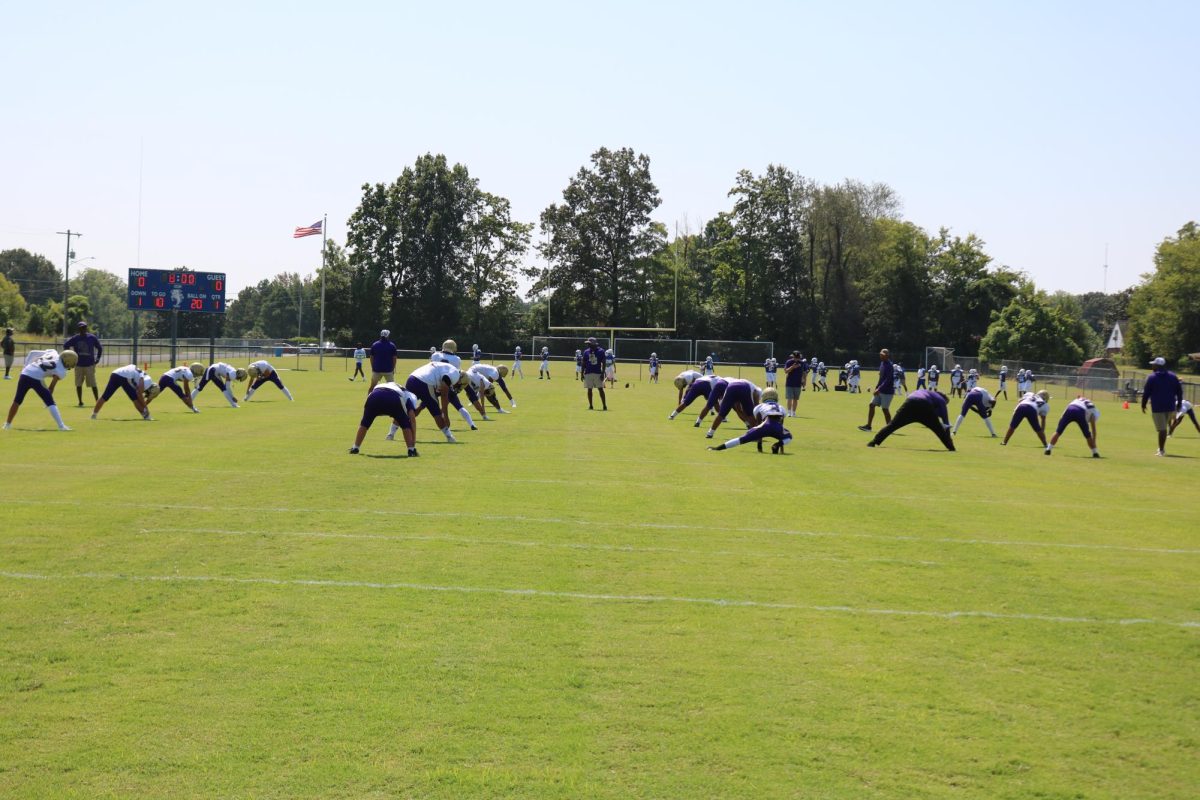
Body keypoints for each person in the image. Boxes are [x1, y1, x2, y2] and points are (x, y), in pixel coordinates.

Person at [3, 348, 76, 431]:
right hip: (36, 378)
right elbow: (51, 387)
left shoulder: (53, 352)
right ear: (68, 361)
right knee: (51, 402)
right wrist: (48, 399)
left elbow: (32, 352)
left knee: (17, 400)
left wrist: (25, 366)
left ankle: (7, 425)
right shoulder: (61, 371)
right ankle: (61, 426)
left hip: (25, 373)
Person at [708, 387, 792, 454]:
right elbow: (781, 425)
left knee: (742, 439)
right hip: (777, 427)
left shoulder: (760, 406)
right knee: (789, 437)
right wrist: (781, 446)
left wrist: (759, 445)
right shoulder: (781, 407)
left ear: (764, 397)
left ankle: (718, 448)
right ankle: (777, 445)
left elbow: (758, 424)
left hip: (765, 425)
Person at [865, 389, 955, 451]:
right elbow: (946, 423)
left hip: (910, 403)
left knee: (893, 425)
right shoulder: (942, 401)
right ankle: (951, 448)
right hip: (924, 405)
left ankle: (873, 442)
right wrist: (949, 439)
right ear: (944, 399)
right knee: (938, 430)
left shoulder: (926, 392)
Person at [348, 381, 419, 457]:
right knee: (405, 425)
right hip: (393, 398)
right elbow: (412, 420)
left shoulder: (388, 385)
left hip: (374, 396)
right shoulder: (411, 396)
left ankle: (355, 448)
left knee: (364, 423)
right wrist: (413, 440)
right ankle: (411, 450)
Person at [405, 360, 466, 442]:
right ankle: (449, 437)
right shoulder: (455, 375)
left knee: (405, 408)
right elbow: (444, 393)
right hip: (424, 382)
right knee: (436, 411)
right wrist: (445, 414)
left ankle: (391, 433)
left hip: (411, 378)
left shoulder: (446, 367)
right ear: (460, 381)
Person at [1141, 356, 1184, 456]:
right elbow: (1179, 391)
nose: (1152, 366)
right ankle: (1161, 447)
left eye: (1153, 364)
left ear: (1157, 366)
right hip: (1171, 407)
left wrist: (1143, 404)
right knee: (1163, 428)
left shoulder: (1152, 377)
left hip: (1158, 407)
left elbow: (1146, 393)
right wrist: (1180, 404)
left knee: (1162, 429)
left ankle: (1161, 450)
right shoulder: (1173, 376)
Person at [62, 320, 103, 406]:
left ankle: (97, 401)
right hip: (79, 364)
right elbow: (66, 345)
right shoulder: (75, 338)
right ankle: (80, 401)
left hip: (89, 365)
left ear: (86, 328)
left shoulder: (92, 337)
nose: (82, 329)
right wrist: (70, 356)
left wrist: (98, 358)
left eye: (84, 327)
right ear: (79, 329)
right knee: (78, 384)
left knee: (93, 384)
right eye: (81, 328)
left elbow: (99, 347)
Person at [858, 348, 895, 432]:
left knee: (885, 409)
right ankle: (868, 426)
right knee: (871, 405)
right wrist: (876, 387)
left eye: (883, 355)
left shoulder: (889, 366)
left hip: (887, 391)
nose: (881, 356)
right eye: (880, 354)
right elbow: (881, 377)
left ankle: (890, 428)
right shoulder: (882, 363)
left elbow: (888, 380)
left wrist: (879, 388)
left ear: (887, 356)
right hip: (880, 390)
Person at [580, 336, 607, 410]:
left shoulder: (601, 351)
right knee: (589, 389)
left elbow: (604, 363)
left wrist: (602, 373)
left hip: (597, 373)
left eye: (589, 343)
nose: (588, 345)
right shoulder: (586, 352)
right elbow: (583, 363)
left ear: (593, 343)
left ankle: (604, 405)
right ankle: (591, 405)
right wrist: (582, 373)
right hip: (588, 373)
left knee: (600, 389)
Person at [782, 351, 805, 417]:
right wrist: (792, 367)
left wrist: (803, 380)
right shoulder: (789, 362)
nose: (797, 359)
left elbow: (803, 372)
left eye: (798, 358)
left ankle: (793, 413)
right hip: (789, 383)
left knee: (795, 399)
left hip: (798, 383)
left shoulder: (802, 363)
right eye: (796, 357)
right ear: (793, 357)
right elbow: (786, 371)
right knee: (789, 398)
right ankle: (789, 412)